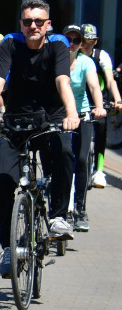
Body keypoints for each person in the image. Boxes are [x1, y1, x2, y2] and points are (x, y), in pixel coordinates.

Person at [0, 0, 80, 279]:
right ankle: (8, 246)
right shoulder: (11, 43)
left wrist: (71, 113)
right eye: (27, 21)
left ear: (48, 24)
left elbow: (62, 81)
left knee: (64, 153)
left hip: (51, 118)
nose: (32, 26)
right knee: (2, 183)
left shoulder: (58, 44)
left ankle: (58, 216)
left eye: (38, 21)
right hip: (16, 121)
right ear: (20, 24)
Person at [65, 31, 106, 231]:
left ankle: (80, 209)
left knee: (81, 160)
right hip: (60, 114)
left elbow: (94, 86)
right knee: (62, 157)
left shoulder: (86, 62)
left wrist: (98, 106)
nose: (71, 44)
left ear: (82, 44)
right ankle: (59, 203)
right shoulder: (58, 59)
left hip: (82, 114)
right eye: (68, 40)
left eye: (76, 40)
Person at [77, 23, 122, 188]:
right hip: (78, 97)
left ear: (95, 41)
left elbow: (110, 80)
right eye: (83, 40)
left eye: (90, 40)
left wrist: (117, 99)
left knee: (102, 126)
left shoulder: (101, 56)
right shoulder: (73, 54)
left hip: (98, 99)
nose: (86, 44)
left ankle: (99, 170)